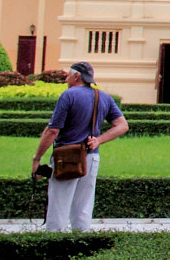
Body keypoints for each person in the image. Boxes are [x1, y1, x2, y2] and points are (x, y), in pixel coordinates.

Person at [31, 62, 127, 232]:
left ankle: (55, 245)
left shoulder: (69, 95)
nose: (66, 79)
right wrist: (98, 140)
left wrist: (37, 158)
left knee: (59, 205)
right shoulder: (103, 97)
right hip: (91, 157)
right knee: (83, 207)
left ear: (76, 76)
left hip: (67, 157)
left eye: (68, 75)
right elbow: (122, 125)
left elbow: (52, 131)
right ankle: (81, 242)